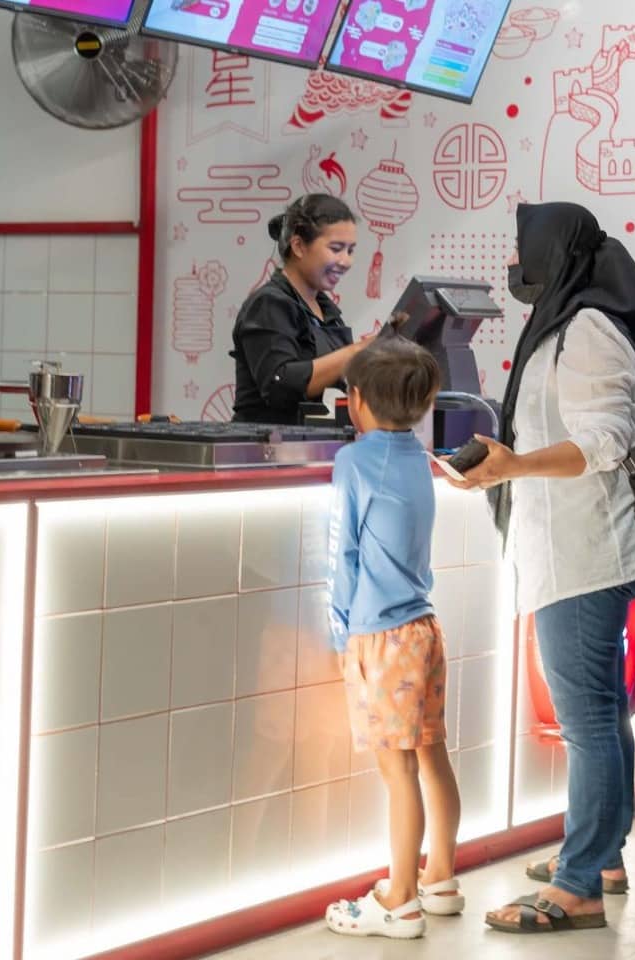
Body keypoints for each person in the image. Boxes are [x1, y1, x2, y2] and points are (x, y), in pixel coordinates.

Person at [447, 202, 635, 934]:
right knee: (601, 712)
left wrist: (514, 465)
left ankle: (578, 888)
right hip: (578, 552)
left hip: (583, 557)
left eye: (522, 248)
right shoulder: (572, 325)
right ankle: (602, 858)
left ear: (555, 253)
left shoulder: (588, 330)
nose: (515, 262)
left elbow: (605, 442)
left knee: (590, 720)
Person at [323, 337, 464, 940]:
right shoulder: (417, 454)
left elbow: (343, 556)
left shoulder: (353, 463)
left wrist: (339, 637)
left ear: (354, 402)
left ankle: (399, 899)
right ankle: (441, 879)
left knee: (396, 771)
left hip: (380, 637)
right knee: (432, 758)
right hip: (425, 630)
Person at [230, 193, 371, 424]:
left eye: (350, 250)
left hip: (315, 446)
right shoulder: (268, 305)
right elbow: (279, 384)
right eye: (336, 249)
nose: (346, 261)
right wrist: (356, 352)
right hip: (266, 450)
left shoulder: (327, 310)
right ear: (298, 245)